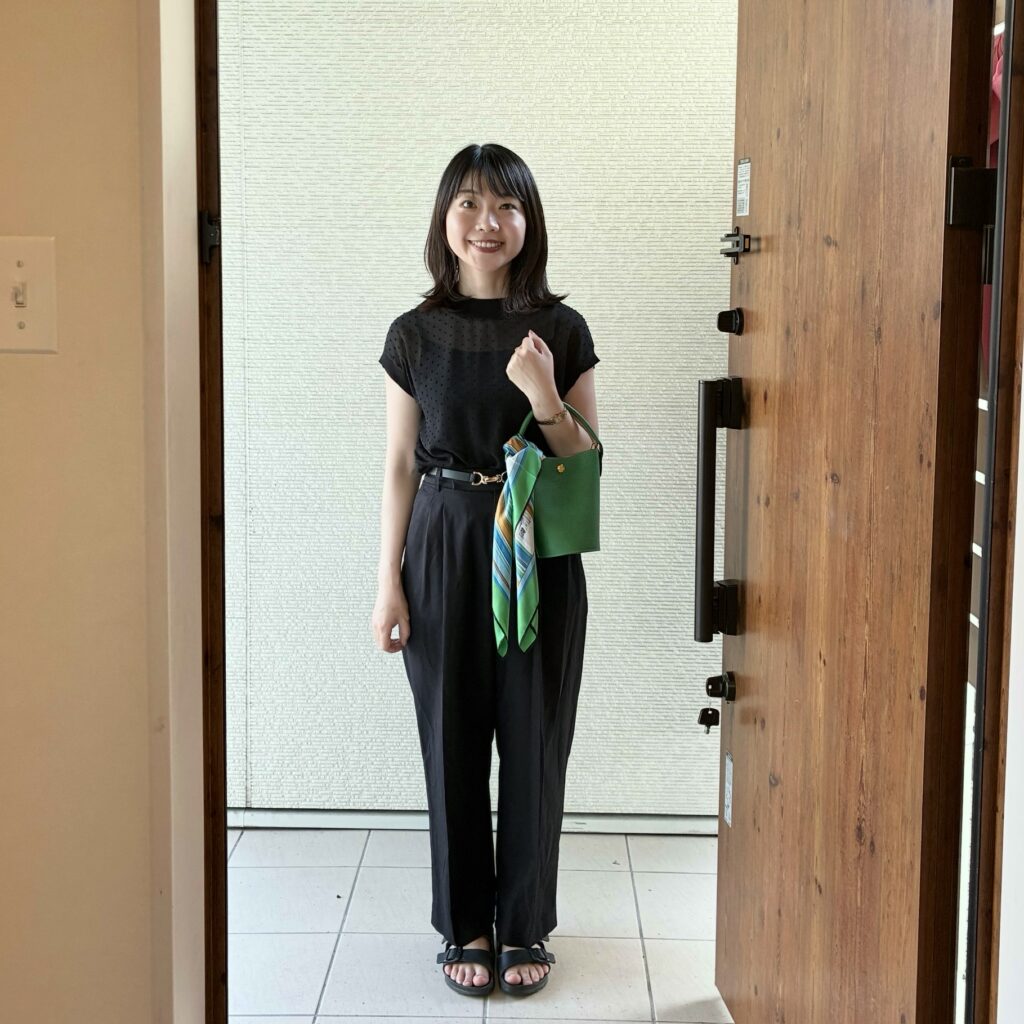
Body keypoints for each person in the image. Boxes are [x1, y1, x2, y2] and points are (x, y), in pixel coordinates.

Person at [371, 142, 600, 998]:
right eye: (468, 203)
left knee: (535, 737)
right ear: (445, 218)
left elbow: (584, 462)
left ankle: (524, 922)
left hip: (538, 542)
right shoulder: (414, 333)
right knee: (451, 739)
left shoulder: (562, 330)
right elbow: (400, 463)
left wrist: (543, 394)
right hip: (442, 541)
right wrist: (387, 582)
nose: (486, 222)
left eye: (505, 205)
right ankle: (464, 922)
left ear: (528, 220)